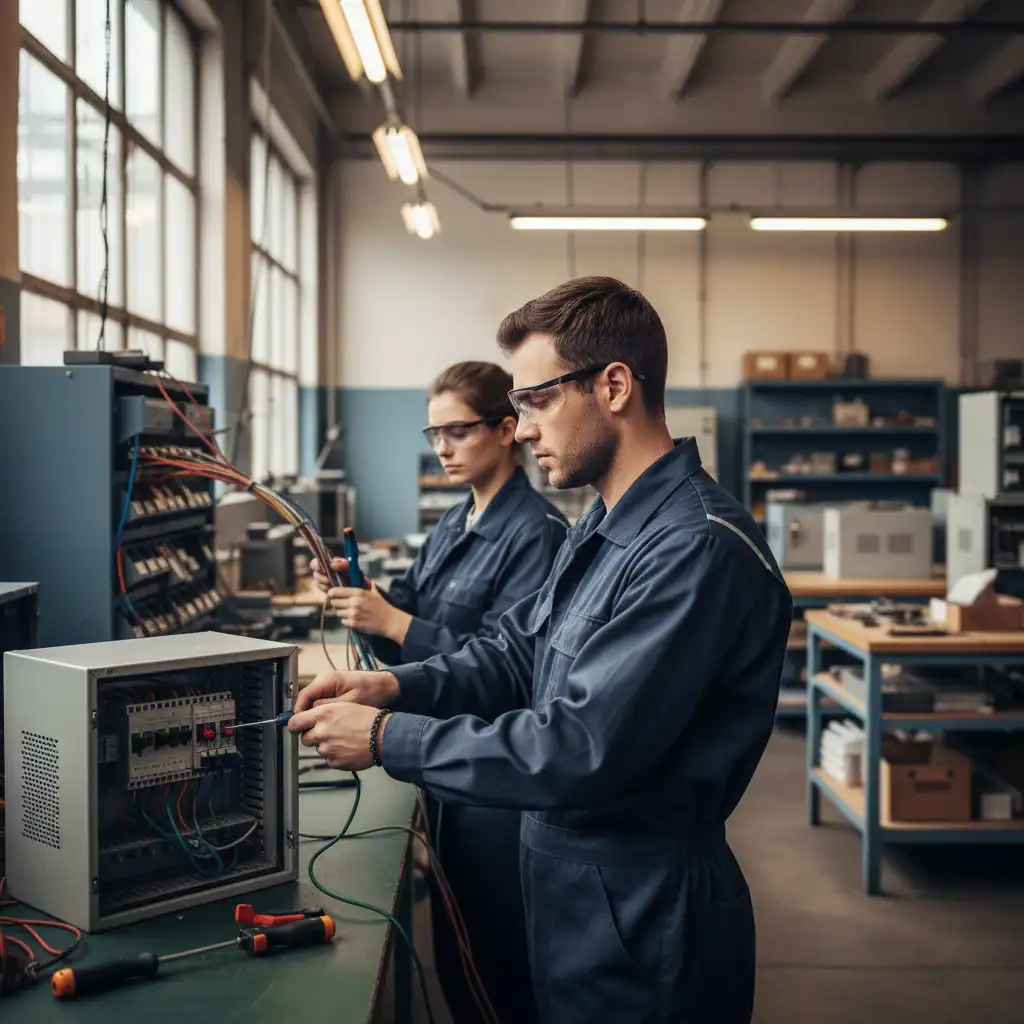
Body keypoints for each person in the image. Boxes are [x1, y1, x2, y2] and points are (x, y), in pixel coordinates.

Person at [291, 277, 793, 1024]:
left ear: (614, 386)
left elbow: (581, 747)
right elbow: (514, 652)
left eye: (536, 401)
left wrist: (389, 739)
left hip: (639, 907)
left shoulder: (694, 550)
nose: (520, 429)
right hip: (570, 884)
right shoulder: (603, 525)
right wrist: (397, 690)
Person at [310, 360, 567, 1024]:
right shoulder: (455, 524)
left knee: (495, 962)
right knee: (456, 953)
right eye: (435, 434)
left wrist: (393, 622)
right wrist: (362, 599)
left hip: (492, 787)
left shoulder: (535, 534)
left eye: (457, 431)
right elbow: (410, 633)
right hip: (442, 769)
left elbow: (512, 666)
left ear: (507, 429)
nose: (443, 448)